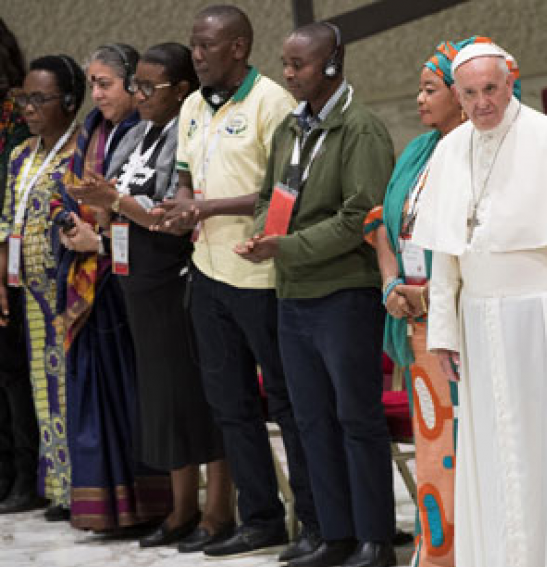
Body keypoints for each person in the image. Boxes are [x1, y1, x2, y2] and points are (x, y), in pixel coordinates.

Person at [411, 42, 547, 567]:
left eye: (491, 89)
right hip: (479, 323)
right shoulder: (451, 149)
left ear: (510, 84)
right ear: (458, 96)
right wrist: (444, 333)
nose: (482, 103)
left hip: (544, 321)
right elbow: (446, 256)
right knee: (495, 452)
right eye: (470, 94)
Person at [154, 4, 317, 558]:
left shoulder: (273, 102)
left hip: (263, 277)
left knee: (288, 406)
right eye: (193, 44)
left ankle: (314, 521)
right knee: (230, 405)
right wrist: (183, 204)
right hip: (207, 274)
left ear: (239, 47)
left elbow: (284, 192)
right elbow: (184, 175)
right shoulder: (193, 105)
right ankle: (261, 519)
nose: (196, 54)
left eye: (206, 45)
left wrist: (206, 207)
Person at [236, 22, 396, 567]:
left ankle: (374, 538)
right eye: (284, 63)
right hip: (293, 294)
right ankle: (334, 534)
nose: (287, 74)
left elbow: (361, 217)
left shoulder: (361, 128)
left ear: (332, 64)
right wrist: (263, 234)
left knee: (356, 418)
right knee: (310, 421)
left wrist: (285, 247)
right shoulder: (290, 127)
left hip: (344, 294)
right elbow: (267, 195)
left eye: (298, 64)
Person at [65, 42, 232, 549]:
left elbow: (169, 215)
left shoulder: (188, 133)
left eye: (146, 87)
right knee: (162, 402)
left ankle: (218, 510)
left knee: (197, 399)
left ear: (181, 91)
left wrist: (115, 201)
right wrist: (102, 203)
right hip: (135, 280)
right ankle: (181, 508)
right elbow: (117, 200)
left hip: (176, 279)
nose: (137, 95)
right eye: (134, 85)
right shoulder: (135, 133)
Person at [362, 35, 503, 567]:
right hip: (418, 321)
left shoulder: (481, 153)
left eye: (430, 89)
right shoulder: (418, 151)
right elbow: (382, 221)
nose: (420, 100)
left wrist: (434, 293)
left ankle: (484, 552)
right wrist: (390, 283)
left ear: (460, 95)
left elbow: (488, 239)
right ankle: (440, 553)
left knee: (476, 446)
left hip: (466, 322)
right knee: (435, 446)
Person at [55, 42, 173, 531]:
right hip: (89, 273)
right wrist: (69, 225)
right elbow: (67, 193)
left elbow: (141, 205)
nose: (98, 95)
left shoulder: (142, 133)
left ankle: (149, 507)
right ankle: (105, 508)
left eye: (106, 84)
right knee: (96, 392)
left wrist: (100, 239)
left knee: (134, 395)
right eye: (93, 85)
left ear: (132, 84)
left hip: (133, 279)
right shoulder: (90, 131)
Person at [0, 55, 82, 518]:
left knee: (71, 389)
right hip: (29, 292)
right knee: (41, 389)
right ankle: (57, 486)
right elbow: (8, 218)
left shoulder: (82, 152)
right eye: (24, 99)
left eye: (39, 99)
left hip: (70, 289)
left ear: (68, 101)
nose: (28, 109)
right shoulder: (20, 156)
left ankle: (83, 486)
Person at [0, 17, 39, 515]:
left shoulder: (14, 114)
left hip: (8, 257)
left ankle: (26, 477)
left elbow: (10, 196)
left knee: (12, 372)